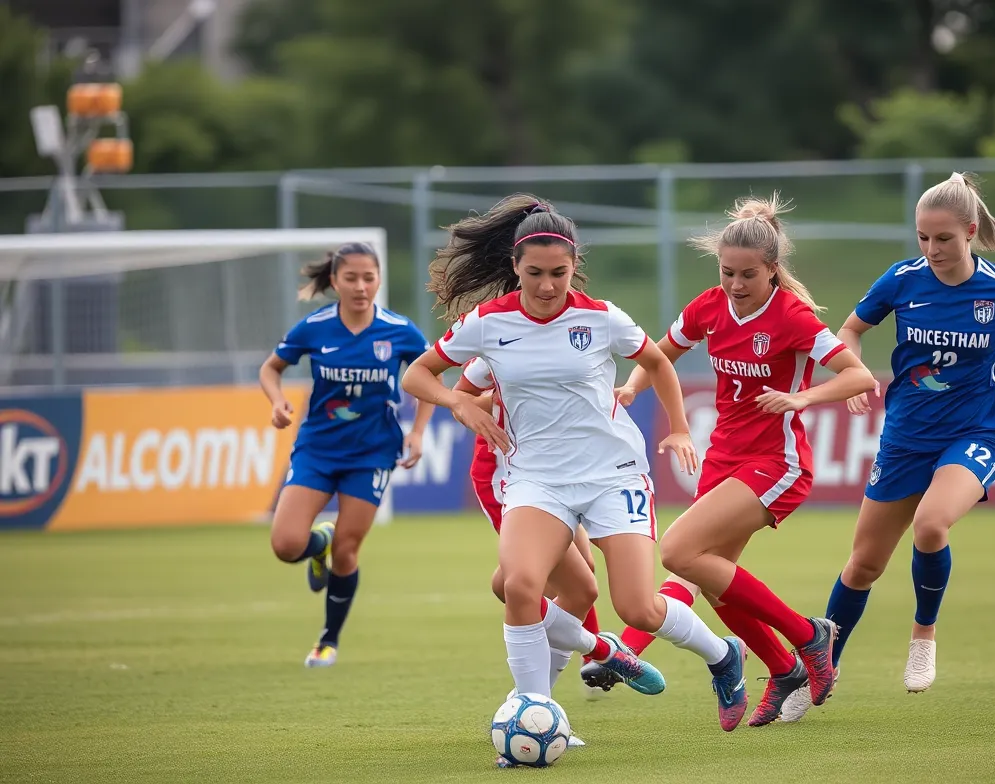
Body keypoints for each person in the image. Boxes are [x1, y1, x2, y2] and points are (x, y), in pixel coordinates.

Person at [403, 195, 751, 749]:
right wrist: (458, 403)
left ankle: (722, 654)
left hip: (613, 472)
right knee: (518, 585)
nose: (547, 286)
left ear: (574, 267)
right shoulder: (488, 324)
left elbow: (657, 361)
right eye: (535, 273)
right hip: (536, 479)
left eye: (559, 274)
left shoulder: (600, 317)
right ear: (515, 267)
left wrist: (680, 427)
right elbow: (418, 375)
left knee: (637, 605)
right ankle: (534, 707)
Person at [588, 194, 877, 727]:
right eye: (728, 273)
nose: (736, 285)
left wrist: (802, 398)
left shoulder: (790, 315)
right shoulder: (709, 305)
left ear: (772, 270)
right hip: (724, 456)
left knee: (677, 551)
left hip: (777, 461)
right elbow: (661, 352)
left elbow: (860, 377)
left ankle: (809, 636)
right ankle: (784, 665)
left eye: (748, 275)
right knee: (715, 577)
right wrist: (631, 386)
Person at [817, 171, 995, 699]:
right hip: (906, 433)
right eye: (923, 237)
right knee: (864, 563)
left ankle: (923, 633)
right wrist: (853, 374)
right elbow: (848, 329)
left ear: (971, 231)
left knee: (932, 524)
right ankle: (822, 666)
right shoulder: (901, 279)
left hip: (977, 428)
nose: (932, 249)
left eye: (943, 238)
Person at [259, 243, 433, 668]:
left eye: (369, 278)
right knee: (285, 545)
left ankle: (327, 640)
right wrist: (277, 402)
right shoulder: (314, 328)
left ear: (379, 280)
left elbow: (429, 373)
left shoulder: (399, 330)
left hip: (372, 454)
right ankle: (316, 543)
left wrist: (418, 432)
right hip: (317, 449)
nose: (360, 286)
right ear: (334, 281)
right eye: (351, 278)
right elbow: (270, 369)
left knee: (348, 550)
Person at [456, 355, 607, 707]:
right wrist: (502, 401)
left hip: (554, 471)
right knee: (558, 582)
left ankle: (541, 698)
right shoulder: (497, 337)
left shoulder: (571, 334)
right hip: (506, 474)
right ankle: (585, 662)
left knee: (580, 574)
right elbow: (455, 396)